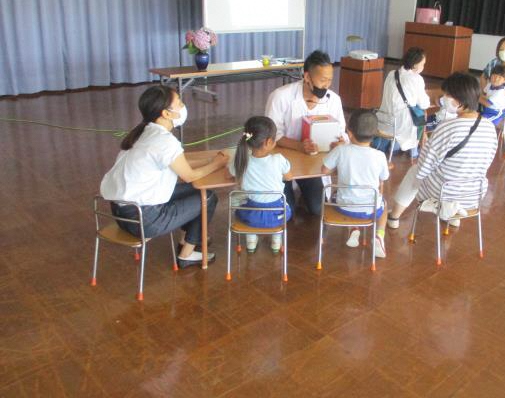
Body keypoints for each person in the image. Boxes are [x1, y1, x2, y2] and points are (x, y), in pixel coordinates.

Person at [100, 85, 229, 268]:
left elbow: (181, 167)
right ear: (166, 114)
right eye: (180, 103)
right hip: (144, 219)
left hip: (124, 214)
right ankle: (186, 255)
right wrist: (217, 163)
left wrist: (212, 161)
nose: (183, 106)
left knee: (196, 191)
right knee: (207, 197)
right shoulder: (165, 142)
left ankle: (187, 240)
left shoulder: (144, 132)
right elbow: (189, 176)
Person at [387, 73, 498, 229]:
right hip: (474, 194)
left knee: (414, 172)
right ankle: (453, 217)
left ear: (459, 101)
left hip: (444, 193)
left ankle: (394, 217)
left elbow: (423, 167)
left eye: (447, 95)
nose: (443, 98)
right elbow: (487, 161)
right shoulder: (490, 127)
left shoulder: (447, 127)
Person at [265, 50, 347, 216]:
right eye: (322, 80)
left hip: (314, 163)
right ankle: (291, 191)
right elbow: (272, 135)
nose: (326, 85)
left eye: (330, 80)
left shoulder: (333, 100)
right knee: (286, 211)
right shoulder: (280, 97)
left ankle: (306, 191)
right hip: (283, 161)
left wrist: (341, 143)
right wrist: (299, 146)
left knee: (318, 209)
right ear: (307, 76)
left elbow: (341, 132)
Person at [321, 109, 389, 258]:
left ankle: (354, 229)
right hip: (371, 209)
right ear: (375, 133)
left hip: (343, 206)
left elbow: (324, 170)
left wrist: (339, 170)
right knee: (384, 205)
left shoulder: (340, 150)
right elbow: (383, 178)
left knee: (347, 193)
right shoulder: (380, 156)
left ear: (349, 133)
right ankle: (379, 236)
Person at [229, 116, 294, 253]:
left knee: (243, 201)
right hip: (276, 215)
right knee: (285, 201)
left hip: (250, 215)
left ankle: (251, 240)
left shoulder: (241, 160)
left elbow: (229, 174)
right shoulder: (279, 160)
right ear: (269, 142)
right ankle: (276, 240)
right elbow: (289, 177)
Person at [373, 47, 430, 160]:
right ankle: (414, 151)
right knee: (421, 114)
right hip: (400, 123)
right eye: (422, 64)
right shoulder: (416, 79)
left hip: (383, 119)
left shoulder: (391, 74)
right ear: (414, 65)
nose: (423, 67)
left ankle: (390, 145)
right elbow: (425, 104)